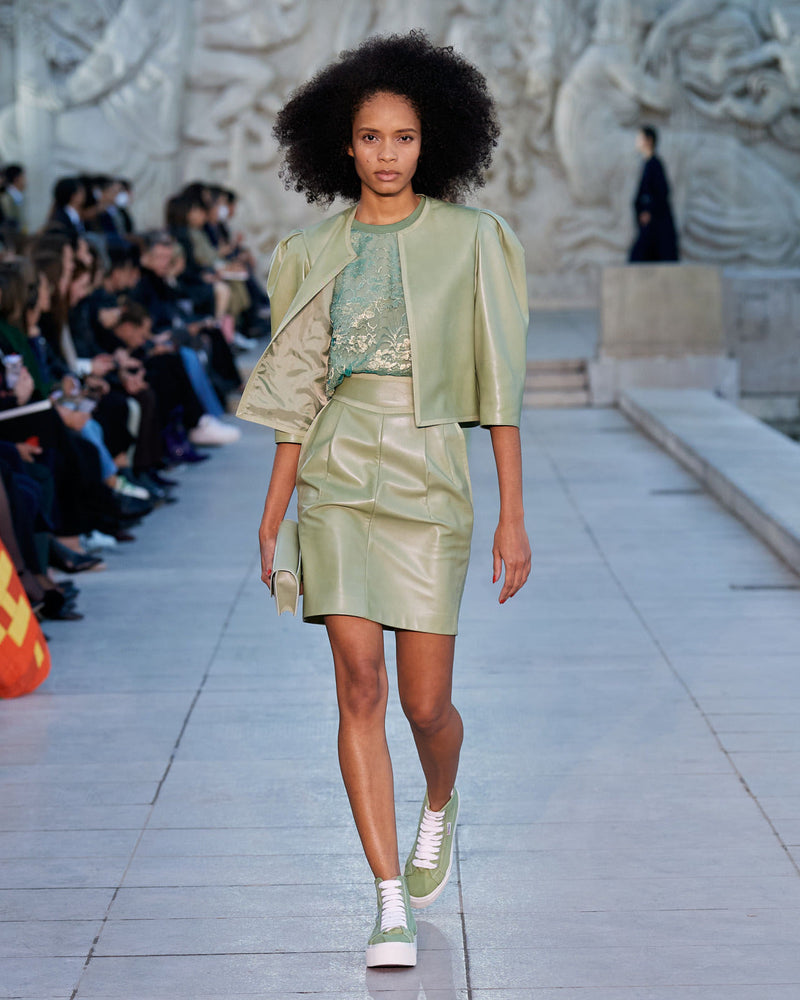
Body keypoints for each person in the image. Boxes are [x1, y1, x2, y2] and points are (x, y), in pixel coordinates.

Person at [237, 31, 531, 969]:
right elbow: (297, 393)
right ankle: (387, 899)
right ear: (344, 145)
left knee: (425, 703)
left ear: (430, 140)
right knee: (358, 683)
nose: (388, 154)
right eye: (371, 137)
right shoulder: (309, 251)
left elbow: (500, 389)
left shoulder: (474, 240)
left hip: (431, 470)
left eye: (404, 137)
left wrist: (513, 515)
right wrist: (274, 510)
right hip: (337, 473)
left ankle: (440, 801)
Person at [628, 124, 679, 262]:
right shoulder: (647, 163)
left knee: (639, 257)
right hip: (651, 226)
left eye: (640, 138)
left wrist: (649, 211)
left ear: (649, 141)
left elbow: (662, 192)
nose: (637, 142)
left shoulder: (655, 164)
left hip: (656, 226)